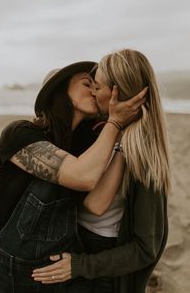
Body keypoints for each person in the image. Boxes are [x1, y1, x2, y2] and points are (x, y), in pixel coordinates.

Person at [0, 60, 146, 293]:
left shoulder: (90, 145)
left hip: (60, 266)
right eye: (87, 83)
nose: (95, 90)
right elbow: (83, 177)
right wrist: (116, 122)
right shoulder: (20, 133)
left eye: (97, 85)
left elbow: (97, 204)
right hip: (12, 269)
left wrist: (122, 134)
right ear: (59, 90)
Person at [32, 49, 171, 293]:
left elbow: (146, 249)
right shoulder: (94, 129)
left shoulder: (142, 155)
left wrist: (81, 265)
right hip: (70, 241)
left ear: (119, 93)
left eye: (98, 86)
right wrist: (0, 212)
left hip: (100, 262)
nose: (93, 92)